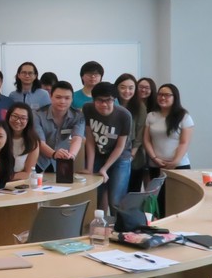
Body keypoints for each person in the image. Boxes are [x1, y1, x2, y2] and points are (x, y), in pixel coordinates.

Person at [144, 83, 194, 216]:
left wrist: (175, 161)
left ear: (174, 97)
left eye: (167, 95)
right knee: (158, 202)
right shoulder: (151, 116)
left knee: (178, 201)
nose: (162, 98)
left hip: (179, 166)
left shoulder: (184, 116)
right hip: (156, 165)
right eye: (160, 95)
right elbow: (147, 140)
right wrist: (154, 158)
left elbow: (184, 142)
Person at [82, 82, 133, 211]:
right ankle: (100, 228)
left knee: (115, 200)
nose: (104, 104)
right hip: (99, 153)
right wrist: (89, 168)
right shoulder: (88, 109)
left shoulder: (124, 115)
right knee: (96, 196)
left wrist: (104, 168)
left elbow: (120, 146)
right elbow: (90, 139)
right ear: (93, 100)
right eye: (99, 100)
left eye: (108, 100)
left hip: (120, 157)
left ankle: (119, 228)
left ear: (114, 99)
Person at [34, 81, 84, 173]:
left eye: (67, 98)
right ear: (50, 97)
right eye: (58, 97)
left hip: (63, 161)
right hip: (39, 160)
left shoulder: (78, 115)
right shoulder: (37, 115)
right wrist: (54, 154)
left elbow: (77, 138)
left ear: (72, 99)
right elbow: (40, 142)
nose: (62, 101)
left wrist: (72, 155)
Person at [115, 73, 148, 192]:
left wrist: (132, 154)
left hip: (133, 155)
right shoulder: (111, 104)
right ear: (116, 88)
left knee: (132, 191)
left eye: (131, 88)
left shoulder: (140, 106)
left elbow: (140, 133)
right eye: (122, 87)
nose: (127, 91)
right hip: (113, 153)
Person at [6, 102, 40, 179]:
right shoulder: (1, 136)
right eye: (15, 116)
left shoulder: (33, 141)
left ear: (28, 121)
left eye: (23, 118)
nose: (18, 121)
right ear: (8, 116)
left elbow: (28, 173)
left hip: (19, 183)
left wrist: (6, 177)